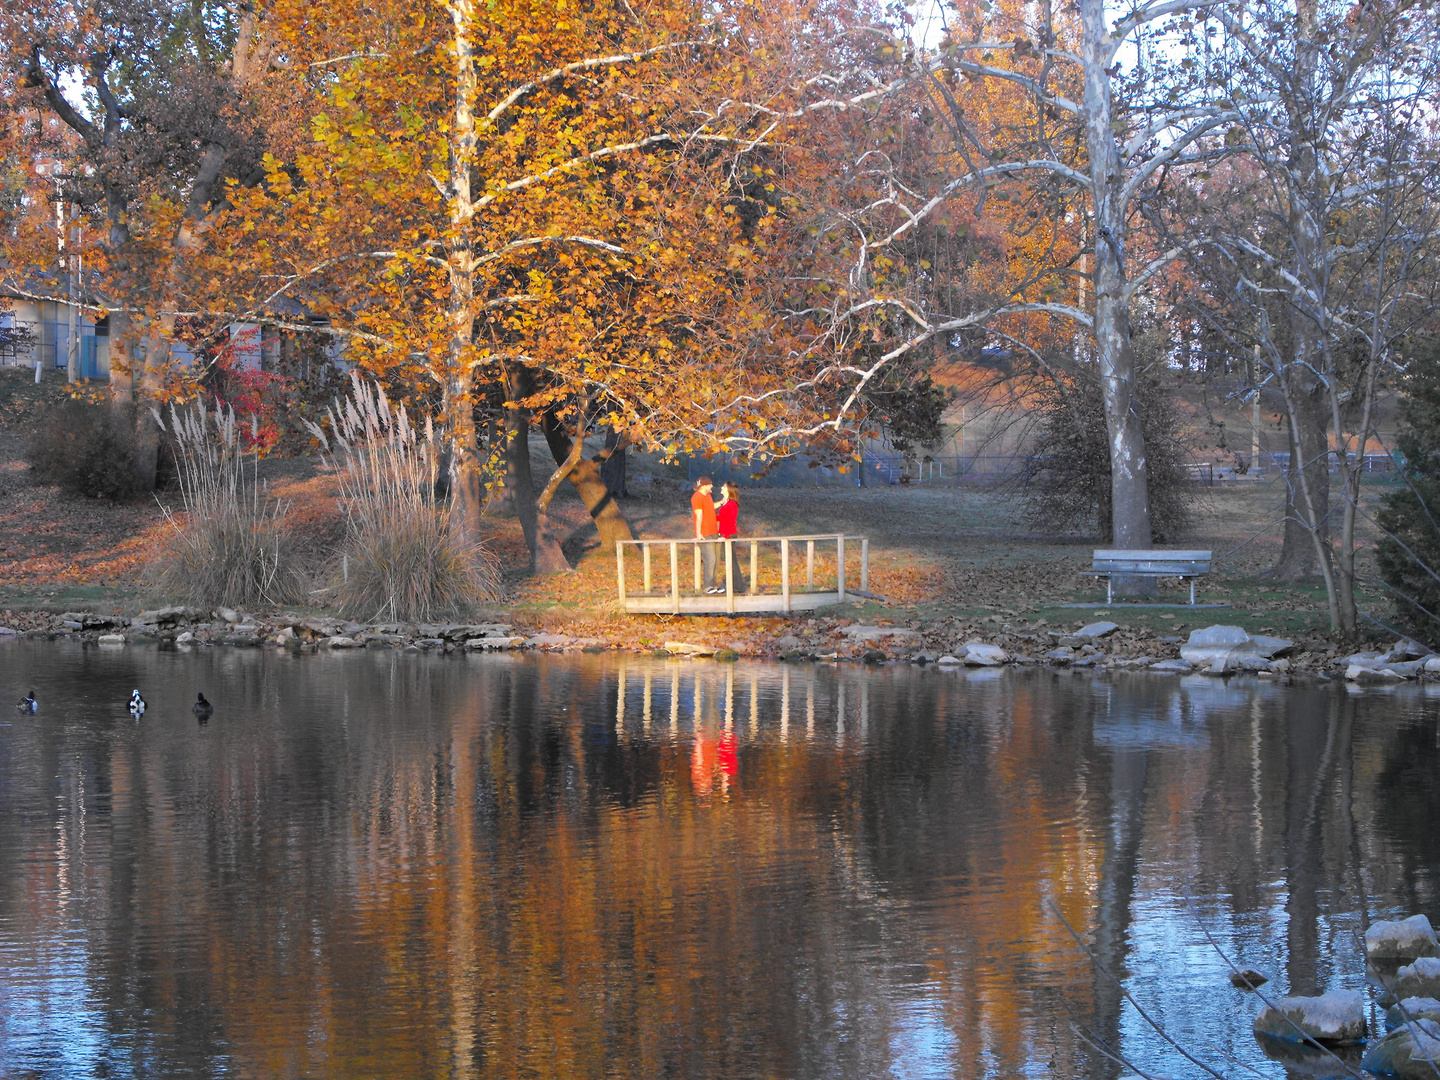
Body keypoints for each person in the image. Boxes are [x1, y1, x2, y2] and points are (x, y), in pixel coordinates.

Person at [714, 481, 748, 594]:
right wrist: (712, 517)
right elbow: (723, 518)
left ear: (728, 489)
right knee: (730, 560)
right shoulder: (726, 502)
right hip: (725, 534)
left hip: (729, 535)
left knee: (732, 561)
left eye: (723, 487)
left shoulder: (732, 503)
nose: (721, 488)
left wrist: (726, 536)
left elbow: (731, 520)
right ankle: (736, 585)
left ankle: (739, 586)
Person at [691, 476, 720, 593]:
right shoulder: (697, 497)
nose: (711, 486)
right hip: (705, 533)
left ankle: (714, 585)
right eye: (710, 485)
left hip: (714, 531)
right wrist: (698, 533)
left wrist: (723, 502)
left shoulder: (708, 495)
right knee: (710, 559)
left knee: (716, 560)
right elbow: (699, 515)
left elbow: (711, 507)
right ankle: (707, 586)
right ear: (704, 486)